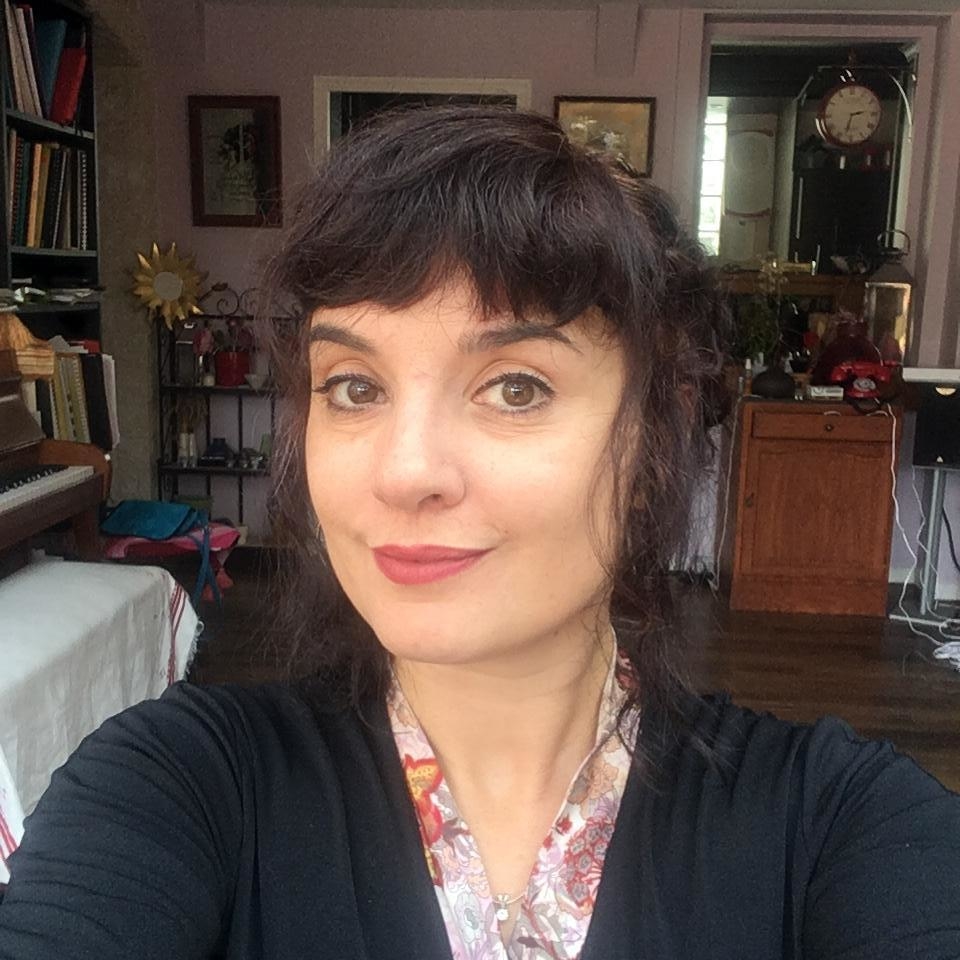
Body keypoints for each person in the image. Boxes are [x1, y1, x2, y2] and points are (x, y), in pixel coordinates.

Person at [1, 105, 958, 960]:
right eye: (355, 387)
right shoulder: (178, 784)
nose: (406, 471)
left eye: (516, 388)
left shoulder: (838, 826)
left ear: (654, 438)